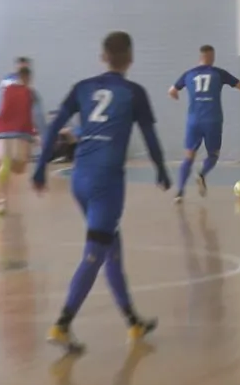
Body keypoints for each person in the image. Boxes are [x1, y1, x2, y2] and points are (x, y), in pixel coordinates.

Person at [33, 31, 170, 353]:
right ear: (130, 58)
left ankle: (133, 322)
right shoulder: (134, 93)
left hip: (79, 178)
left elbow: (53, 127)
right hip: (106, 182)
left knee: (111, 246)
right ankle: (62, 324)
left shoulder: (82, 88)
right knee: (95, 253)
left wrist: (40, 167)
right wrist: (161, 169)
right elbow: (149, 137)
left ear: (103, 57)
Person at [167, 44, 240, 201]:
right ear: (211, 57)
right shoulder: (218, 73)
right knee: (213, 155)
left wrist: (176, 96)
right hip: (213, 120)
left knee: (189, 157)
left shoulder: (188, 74)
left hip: (194, 121)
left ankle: (179, 192)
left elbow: (171, 91)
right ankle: (202, 174)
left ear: (200, 57)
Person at [0, 66, 44, 216]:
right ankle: (0, 201)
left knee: (7, 166)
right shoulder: (31, 93)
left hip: (1, 133)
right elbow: (38, 115)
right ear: (28, 78)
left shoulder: (2, 91)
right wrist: (44, 135)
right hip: (20, 134)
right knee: (18, 168)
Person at [0, 57, 36, 186]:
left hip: (9, 126)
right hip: (9, 126)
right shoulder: (10, 83)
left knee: (2, 154)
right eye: (21, 65)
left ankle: (0, 173)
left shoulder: (25, 86)